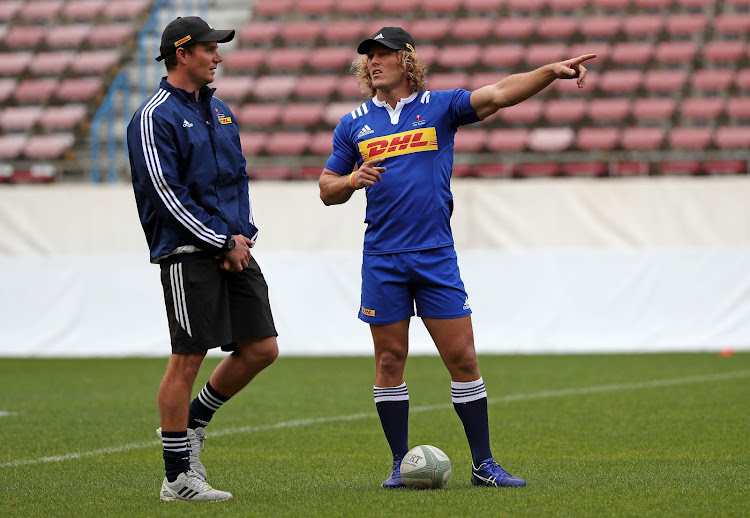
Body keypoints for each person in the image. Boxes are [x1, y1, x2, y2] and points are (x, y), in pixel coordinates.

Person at [319, 26, 594, 488]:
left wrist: (548, 72)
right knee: (389, 361)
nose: (373, 62)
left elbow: (501, 93)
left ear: (407, 60)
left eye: (384, 54)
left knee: (463, 358)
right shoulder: (354, 123)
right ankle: (399, 463)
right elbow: (326, 189)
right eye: (369, 56)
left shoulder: (441, 107)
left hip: (434, 256)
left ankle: (484, 465)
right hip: (382, 257)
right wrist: (350, 181)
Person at [127, 16, 278, 502]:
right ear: (182, 53)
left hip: (232, 247)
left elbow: (238, 181)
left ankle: (192, 422)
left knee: (261, 349)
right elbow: (165, 194)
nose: (218, 57)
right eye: (210, 48)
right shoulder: (152, 116)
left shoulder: (223, 112)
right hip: (188, 252)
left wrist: (242, 236)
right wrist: (220, 240)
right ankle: (177, 479)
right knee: (188, 358)